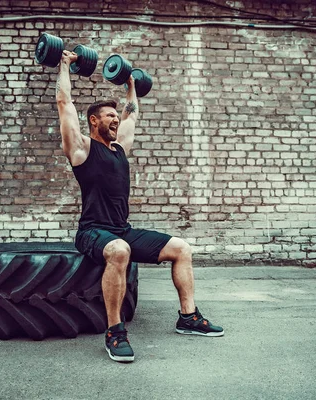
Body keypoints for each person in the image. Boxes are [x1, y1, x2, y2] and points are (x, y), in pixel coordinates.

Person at [55, 50, 224, 363]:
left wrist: (130, 84)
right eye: (109, 116)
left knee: (182, 248)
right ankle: (115, 331)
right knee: (120, 251)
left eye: (116, 116)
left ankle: (188, 317)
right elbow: (65, 104)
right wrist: (65, 64)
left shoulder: (120, 148)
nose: (116, 119)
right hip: (93, 231)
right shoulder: (81, 149)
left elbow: (133, 113)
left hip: (122, 230)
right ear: (93, 121)